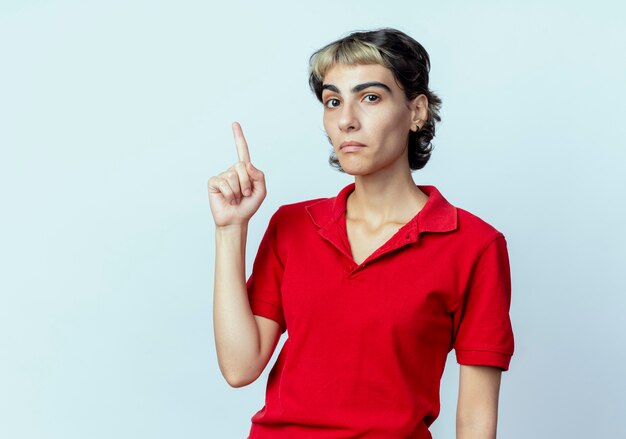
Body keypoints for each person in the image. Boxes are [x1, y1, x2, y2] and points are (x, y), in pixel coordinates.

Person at [208, 28, 514, 439]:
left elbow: (476, 421)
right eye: (333, 101)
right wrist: (231, 229)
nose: (347, 120)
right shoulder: (292, 227)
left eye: (370, 97)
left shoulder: (474, 246)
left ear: (417, 111)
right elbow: (239, 367)